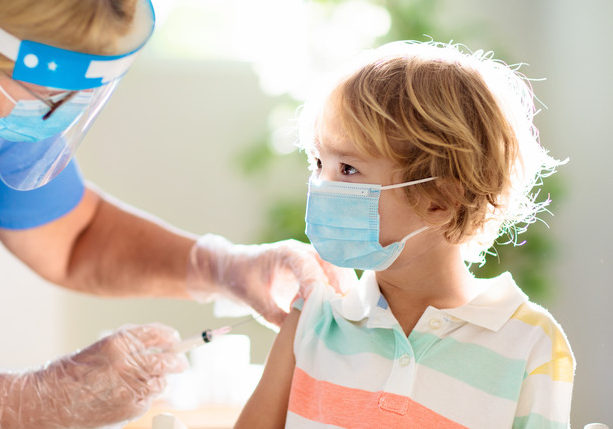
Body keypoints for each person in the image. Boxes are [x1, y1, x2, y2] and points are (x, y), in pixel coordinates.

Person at [0, 0, 333, 427]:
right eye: (53, 99)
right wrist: (34, 401)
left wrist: (224, 267)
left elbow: (73, 238)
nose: (63, 115)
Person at [235, 40, 574, 428]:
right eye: (317, 162)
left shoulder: (528, 342)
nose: (321, 185)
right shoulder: (314, 317)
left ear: (438, 199)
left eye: (347, 168)